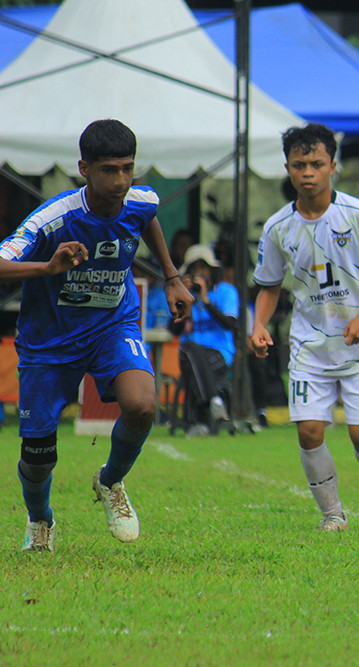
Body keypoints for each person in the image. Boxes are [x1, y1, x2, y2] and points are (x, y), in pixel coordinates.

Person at [0, 119, 195, 552]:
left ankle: (109, 482)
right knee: (38, 458)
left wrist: (172, 276)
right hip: (49, 341)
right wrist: (47, 267)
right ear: (84, 168)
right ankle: (40, 520)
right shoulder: (53, 220)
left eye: (128, 168)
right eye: (109, 170)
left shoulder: (139, 200)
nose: (121, 180)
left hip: (112, 325)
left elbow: (149, 219)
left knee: (143, 405)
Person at [251, 123, 359, 532]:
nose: (308, 172)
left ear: (333, 165)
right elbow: (267, 286)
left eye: (316, 163)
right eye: (299, 164)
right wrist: (259, 324)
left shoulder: (358, 215)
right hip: (309, 347)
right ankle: (333, 515)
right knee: (310, 431)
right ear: (287, 167)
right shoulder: (278, 228)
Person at [168, 244, 239, 435]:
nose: (199, 273)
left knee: (191, 359)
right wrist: (184, 304)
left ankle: (196, 423)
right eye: (194, 268)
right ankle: (215, 402)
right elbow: (173, 330)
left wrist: (206, 301)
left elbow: (230, 324)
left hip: (218, 354)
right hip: (189, 353)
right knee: (189, 351)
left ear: (212, 270)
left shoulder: (226, 291)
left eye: (203, 267)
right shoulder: (184, 297)